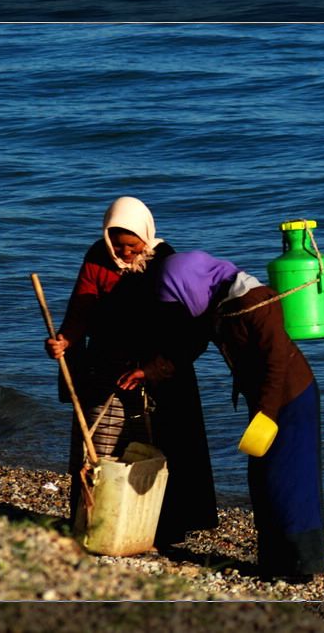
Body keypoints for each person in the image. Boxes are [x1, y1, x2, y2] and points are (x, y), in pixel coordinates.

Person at [44, 196, 218, 548]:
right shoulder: (97, 258)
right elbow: (81, 308)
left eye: (131, 246)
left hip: (155, 370)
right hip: (106, 366)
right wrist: (64, 340)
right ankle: (91, 521)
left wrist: (151, 368)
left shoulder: (165, 260)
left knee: (155, 449)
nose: (124, 253)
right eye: (117, 245)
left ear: (145, 237)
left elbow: (184, 322)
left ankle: (160, 527)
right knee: (97, 448)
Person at [153, 250, 324, 582]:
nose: (179, 306)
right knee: (263, 481)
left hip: (291, 398)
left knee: (290, 480)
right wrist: (147, 372)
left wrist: (267, 415)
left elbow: (277, 362)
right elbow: (187, 349)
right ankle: (274, 562)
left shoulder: (257, 301)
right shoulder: (216, 305)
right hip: (266, 402)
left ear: (189, 284)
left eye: (177, 297)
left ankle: (303, 566)